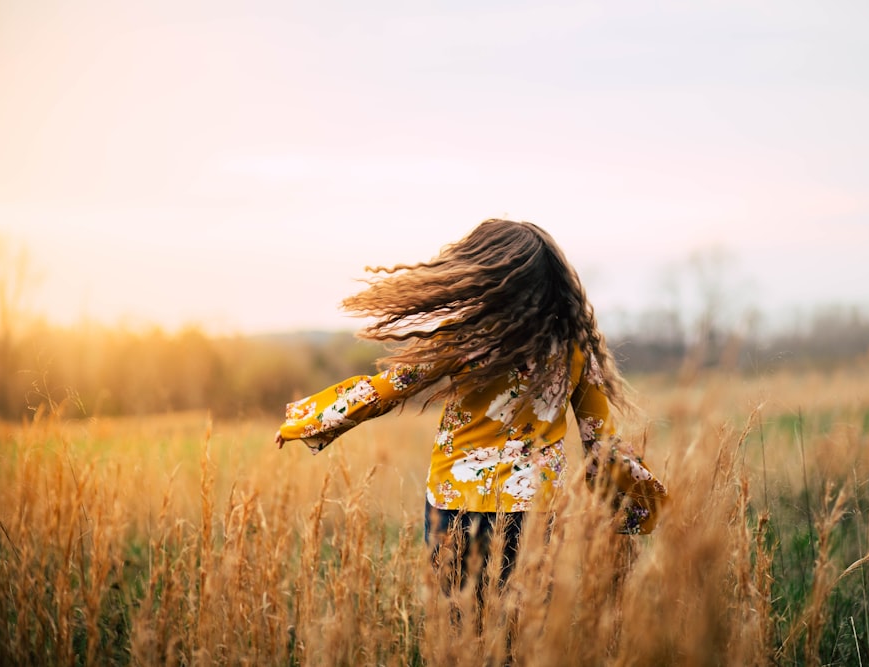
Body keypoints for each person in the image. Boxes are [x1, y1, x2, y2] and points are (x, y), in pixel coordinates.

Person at [274, 219, 667, 594]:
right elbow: (602, 444)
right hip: (532, 510)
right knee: (520, 629)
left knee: (458, 630)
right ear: (553, 283)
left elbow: (385, 391)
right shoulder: (574, 348)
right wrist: (645, 506)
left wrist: (304, 422)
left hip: (454, 506)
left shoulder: (466, 339)